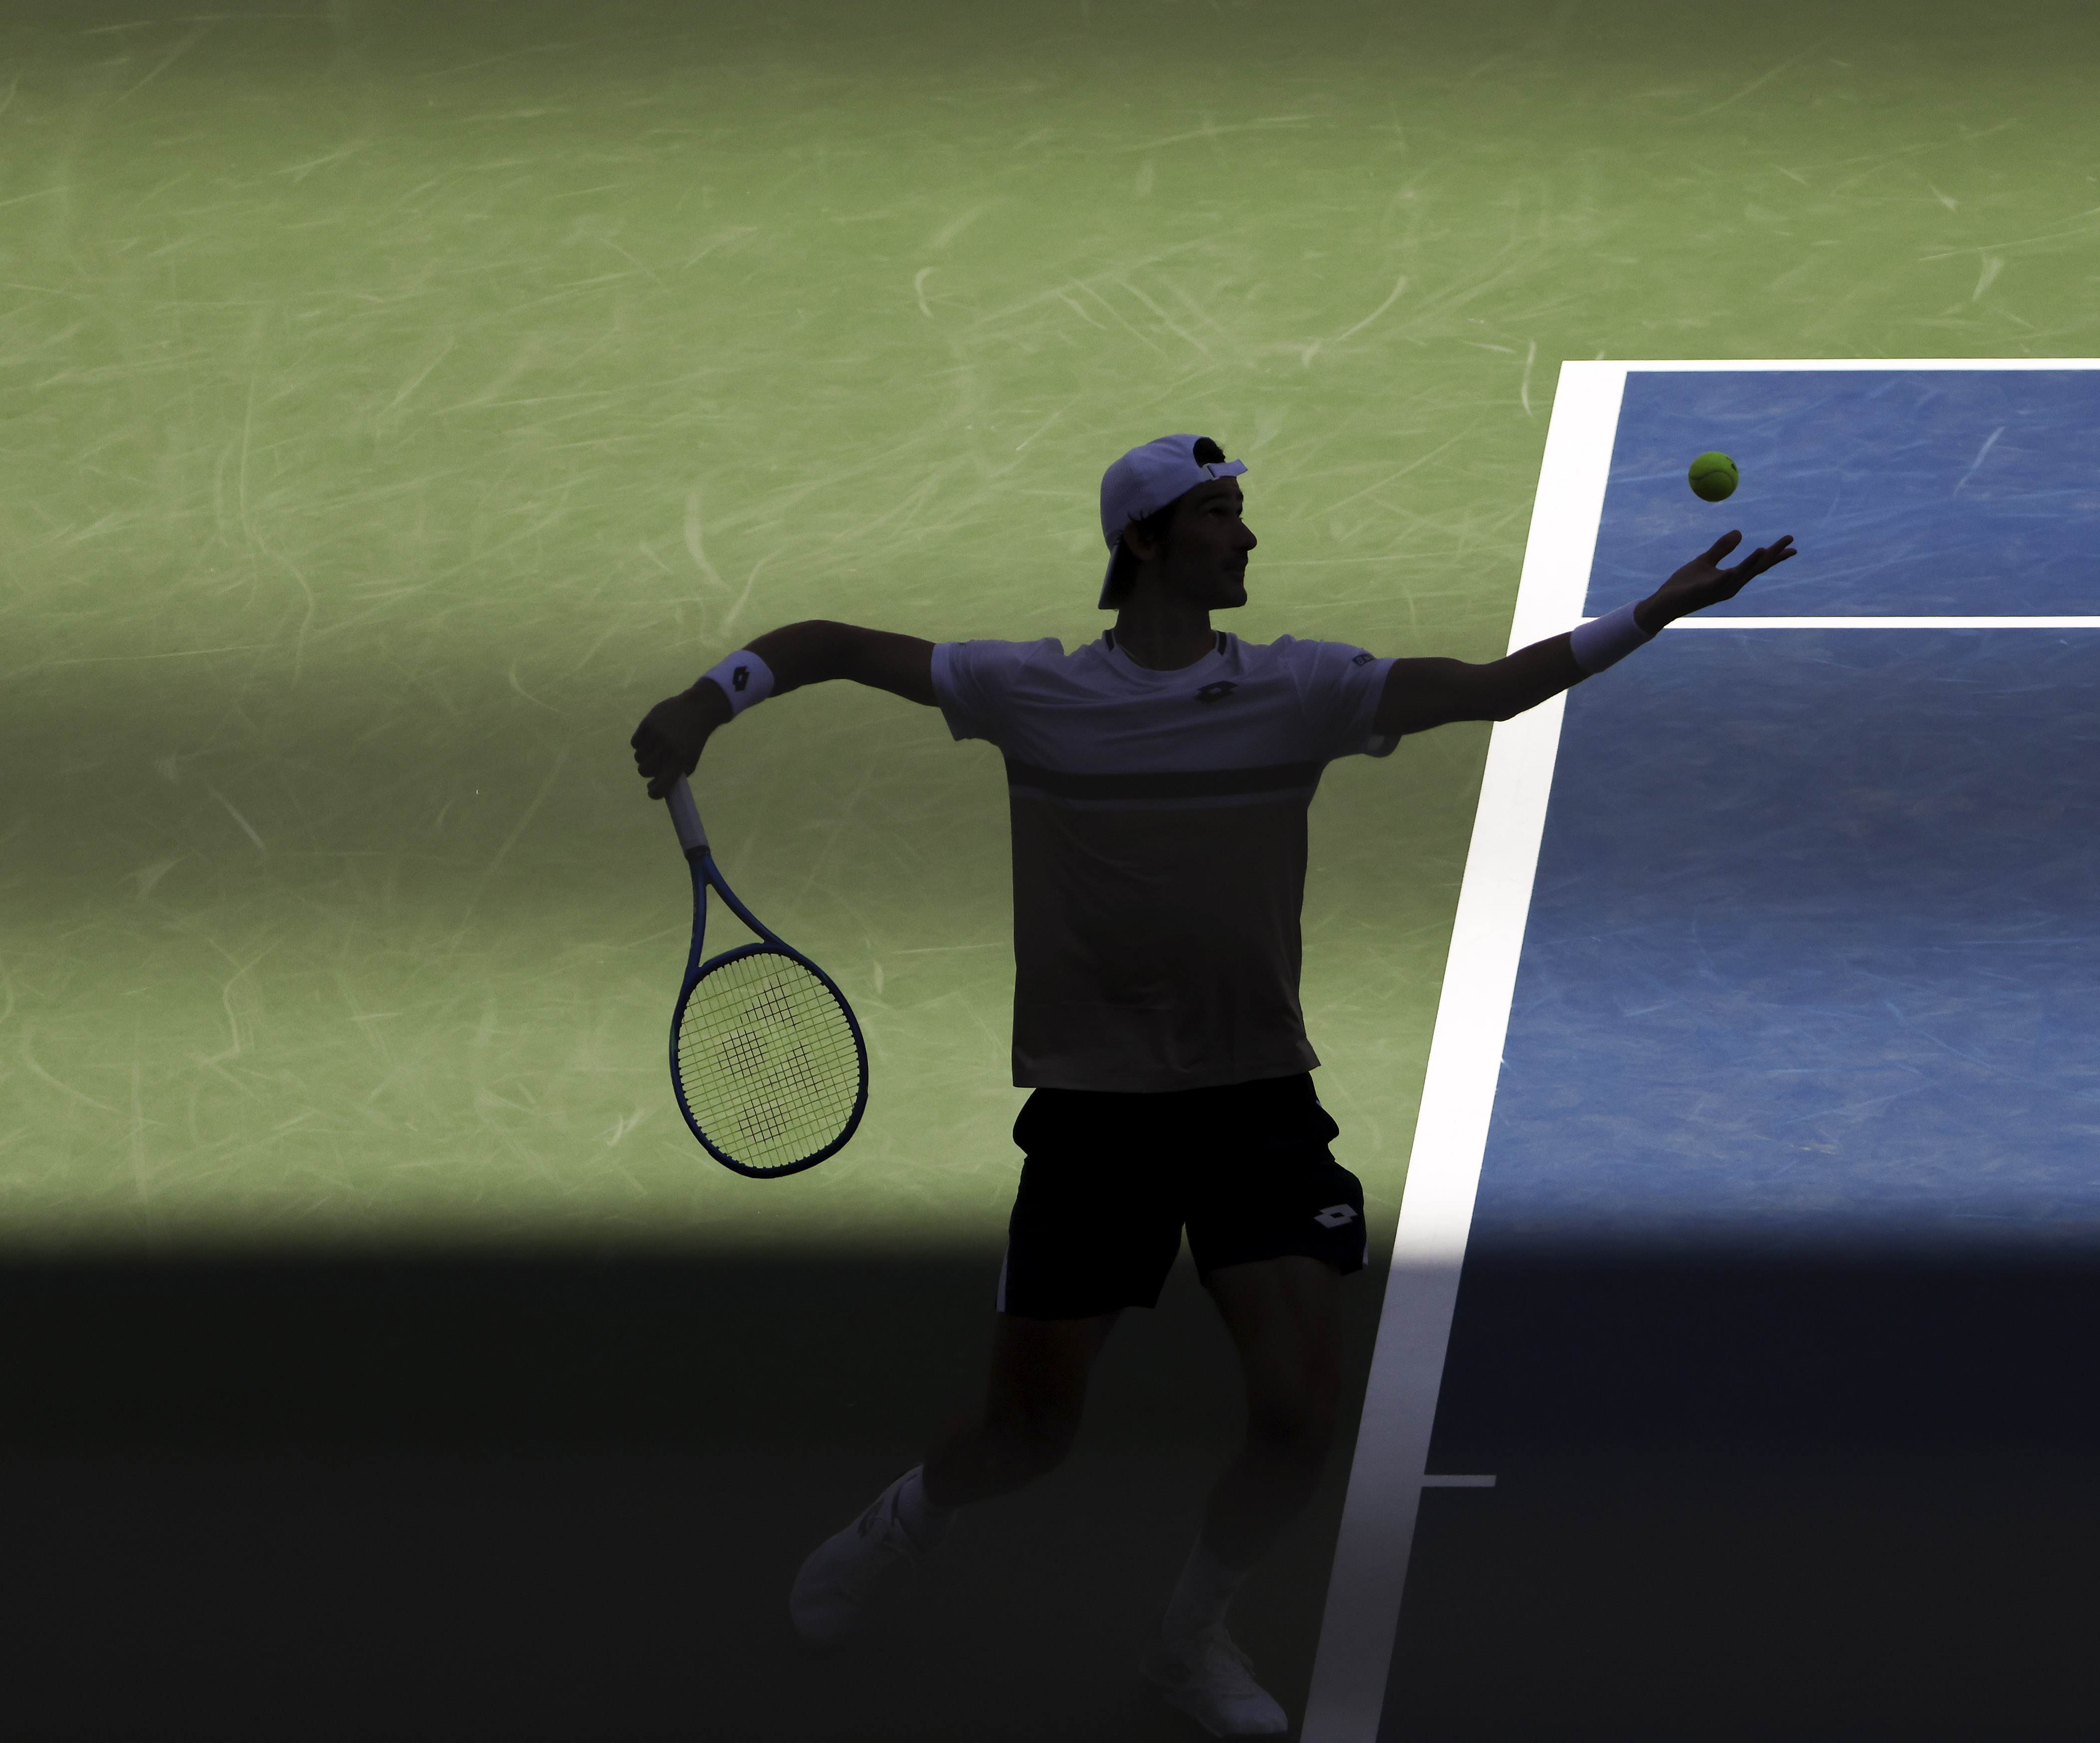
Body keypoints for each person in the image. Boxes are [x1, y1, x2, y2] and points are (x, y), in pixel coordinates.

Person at [626, 434, 1793, 1737]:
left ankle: (1185, 1643)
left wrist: (1652, 612)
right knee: (1025, 1434)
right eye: (1222, 516)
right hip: (1096, 1116)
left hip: (1252, 1103)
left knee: (1296, 1423)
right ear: (1147, 543)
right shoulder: (1028, 691)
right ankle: (902, 1522)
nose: (1246, 539)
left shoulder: (1302, 691)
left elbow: (1493, 690)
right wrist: (703, 701)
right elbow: (834, 643)